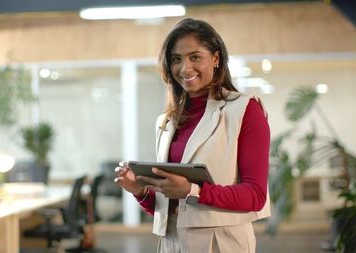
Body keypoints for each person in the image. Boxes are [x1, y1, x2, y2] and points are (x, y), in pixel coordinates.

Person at [114, 18, 270, 253]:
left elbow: (256, 195)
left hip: (221, 243)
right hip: (171, 243)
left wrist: (192, 190)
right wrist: (139, 190)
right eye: (176, 59)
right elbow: (169, 206)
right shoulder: (167, 121)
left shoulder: (245, 110)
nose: (184, 68)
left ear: (216, 58)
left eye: (195, 57)